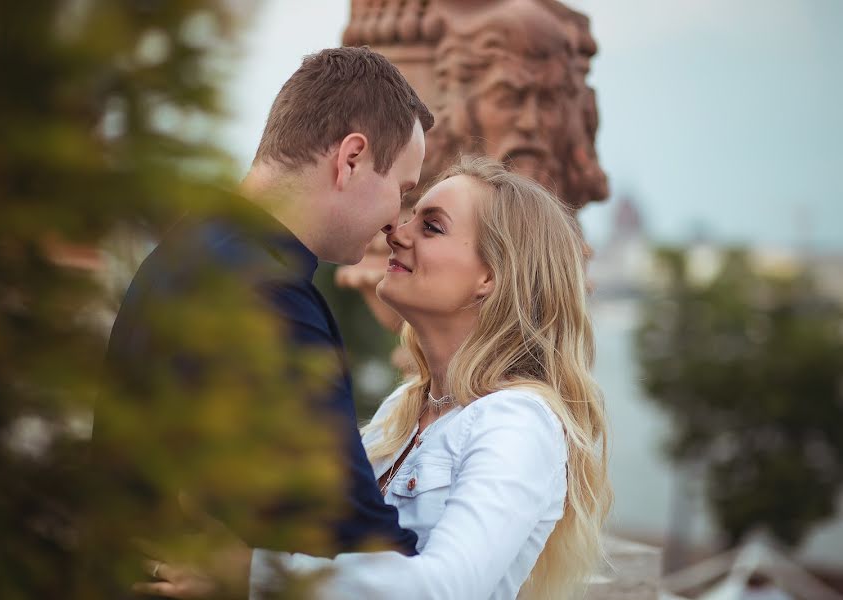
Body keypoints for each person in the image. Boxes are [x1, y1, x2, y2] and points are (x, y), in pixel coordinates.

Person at [136, 156, 613, 600]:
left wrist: (251, 571)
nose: (396, 234)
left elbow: (446, 588)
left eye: (431, 227)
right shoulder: (403, 409)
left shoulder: (517, 422)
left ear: (490, 276)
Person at [100, 45, 434, 562]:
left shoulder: (187, 250)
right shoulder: (271, 297)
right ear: (351, 159)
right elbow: (356, 544)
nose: (397, 221)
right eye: (403, 188)